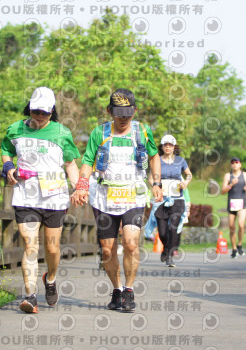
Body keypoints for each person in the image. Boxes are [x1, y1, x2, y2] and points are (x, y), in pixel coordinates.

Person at [71, 88, 163, 312]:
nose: (123, 118)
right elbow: (87, 161)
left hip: (133, 194)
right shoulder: (99, 133)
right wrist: (82, 186)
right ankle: (117, 289)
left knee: (131, 243)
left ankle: (129, 291)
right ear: (109, 111)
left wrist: (157, 183)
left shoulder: (143, 131)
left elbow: (154, 157)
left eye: (128, 113)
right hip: (104, 196)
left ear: (135, 111)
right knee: (106, 249)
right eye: (119, 113)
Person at [0, 87, 80, 313]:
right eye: (36, 111)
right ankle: (30, 296)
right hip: (26, 195)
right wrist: (8, 166)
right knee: (30, 244)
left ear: (52, 111)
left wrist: (79, 187)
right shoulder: (15, 129)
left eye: (44, 112)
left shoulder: (61, 132)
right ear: (29, 108)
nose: (39, 116)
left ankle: (51, 278)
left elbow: (71, 164)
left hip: (54, 196)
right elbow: (6, 149)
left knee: (53, 248)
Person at [149, 135, 192, 267]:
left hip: (177, 200)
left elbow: (189, 175)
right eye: (165, 144)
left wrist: (186, 182)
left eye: (170, 145)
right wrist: (155, 186)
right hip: (161, 200)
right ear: (162, 147)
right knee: (162, 231)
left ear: (174, 147)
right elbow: (150, 178)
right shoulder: (157, 161)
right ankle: (166, 248)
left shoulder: (180, 161)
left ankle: (170, 256)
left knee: (173, 227)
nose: (168, 147)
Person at [220, 157, 246, 258]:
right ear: (231, 165)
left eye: (236, 162)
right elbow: (222, 191)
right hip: (232, 203)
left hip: (242, 203)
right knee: (231, 227)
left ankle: (240, 244)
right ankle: (234, 249)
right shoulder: (227, 176)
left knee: (241, 224)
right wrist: (231, 184)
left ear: (240, 164)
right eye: (232, 163)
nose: (235, 164)